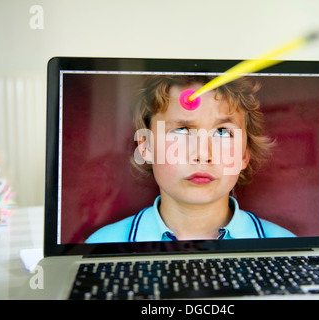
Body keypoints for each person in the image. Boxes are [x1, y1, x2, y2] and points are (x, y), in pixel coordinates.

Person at [86, 75, 295, 243]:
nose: (203, 154)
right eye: (182, 130)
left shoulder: (286, 246)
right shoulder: (101, 245)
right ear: (145, 146)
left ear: (244, 155)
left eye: (222, 132)